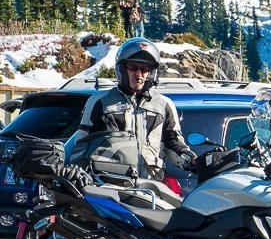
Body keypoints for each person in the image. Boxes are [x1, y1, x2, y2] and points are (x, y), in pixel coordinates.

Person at [70, 37, 194, 179]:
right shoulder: (99, 102)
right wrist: (78, 173)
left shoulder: (164, 105)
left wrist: (191, 161)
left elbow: (173, 143)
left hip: (151, 186)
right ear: (122, 69)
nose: (139, 74)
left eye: (144, 69)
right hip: (109, 186)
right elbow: (81, 146)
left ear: (151, 73)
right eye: (133, 67)